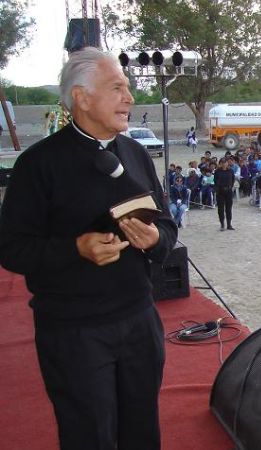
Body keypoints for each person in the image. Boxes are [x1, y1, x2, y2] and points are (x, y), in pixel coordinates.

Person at [0, 47, 177, 450]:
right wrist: (74, 249)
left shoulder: (135, 153)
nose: (129, 98)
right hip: (73, 331)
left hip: (139, 319)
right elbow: (11, 249)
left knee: (142, 430)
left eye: (128, 88)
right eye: (117, 88)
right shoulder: (37, 165)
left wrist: (156, 240)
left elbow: (165, 222)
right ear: (81, 97)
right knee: (88, 435)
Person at [214, 158, 235, 230]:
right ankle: (222, 224)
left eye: (225, 162)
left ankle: (229, 224)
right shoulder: (217, 171)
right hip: (220, 191)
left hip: (228, 191)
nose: (224, 164)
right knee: (220, 209)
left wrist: (230, 187)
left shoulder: (230, 171)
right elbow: (215, 181)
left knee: (228, 208)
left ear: (227, 163)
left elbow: (233, 179)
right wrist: (219, 189)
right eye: (222, 162)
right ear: (220, 164)